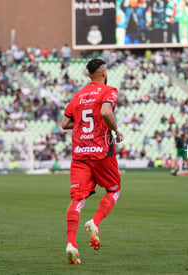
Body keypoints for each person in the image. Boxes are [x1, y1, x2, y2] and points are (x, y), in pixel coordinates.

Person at [61, 59, 124, 264]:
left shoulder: (78, 95)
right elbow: (106, 112)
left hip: (80, 152)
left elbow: (65, 123)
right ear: (103, 72)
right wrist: (116, 130)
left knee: (77, 199)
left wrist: (82, 120)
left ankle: (71, 243)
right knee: (114, 190)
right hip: (101, 151)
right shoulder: (109, 90)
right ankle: (95, 222)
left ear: (88, 75)